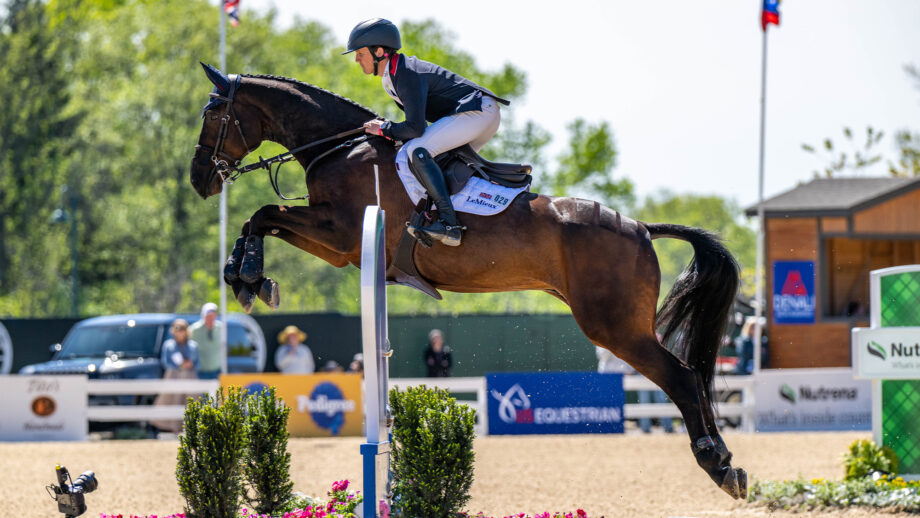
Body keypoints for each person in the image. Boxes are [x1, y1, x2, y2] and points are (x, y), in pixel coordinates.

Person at [344, 18, 510, 247]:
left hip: (478, 113)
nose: (356, 58)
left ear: (379, 51)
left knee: (418, 151)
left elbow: (415, 128)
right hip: (480, 114)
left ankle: (449, 224)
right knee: (435, 160)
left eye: (360, 52)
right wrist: (389, 130)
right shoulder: (393, 76)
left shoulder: (406, 73)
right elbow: (415, 127)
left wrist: (384, 129)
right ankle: (446, 215)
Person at [152, 319, 199, 433]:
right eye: (177, 329)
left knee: (191, 401)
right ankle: (174, 428)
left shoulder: (193, 346)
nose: (179, 332)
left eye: (182, 329)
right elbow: (165, 362)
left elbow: (198, 364)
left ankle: (190, 428)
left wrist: (189, 365)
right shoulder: (169, 345)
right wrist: (179, 365)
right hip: (173, 375)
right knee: (173, 401)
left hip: (189, 376)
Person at [188, 302, 222, 379]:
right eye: (208, 316)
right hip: (200, 372)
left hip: (217, 371)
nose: (211, 318)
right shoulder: (194, 329)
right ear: (203, 315)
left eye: (213, 315)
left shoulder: (221, 328)